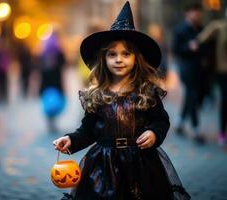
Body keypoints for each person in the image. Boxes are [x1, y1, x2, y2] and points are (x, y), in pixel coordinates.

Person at [53, 2, 190, 200]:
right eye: (112, 54)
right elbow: (88, 130)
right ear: (104, 59)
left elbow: (161, 121)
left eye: (126, 53)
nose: (119, 59)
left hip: (141, 164)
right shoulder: (98, 94)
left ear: (137, 58)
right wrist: (71, 140)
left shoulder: (146, 91)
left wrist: (153, 132)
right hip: (103, 165)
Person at [172, 2, 205, 143]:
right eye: (193, 11)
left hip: (199, 69)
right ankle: (196, 130)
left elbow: (205, 48)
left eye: (198, 11)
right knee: (191, 95)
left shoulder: (202, 29)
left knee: (190, 97)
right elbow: (176, 50)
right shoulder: (181, 30)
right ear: (187, 13)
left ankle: (179, 123)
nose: (196, 14)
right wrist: (189, 47)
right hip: (186, 68)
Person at [196, 13, 227, 146]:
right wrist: (195, 43)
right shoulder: (220, 27)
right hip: (223, 72)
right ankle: (222, 133)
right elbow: (202, 37)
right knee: (225, 102)